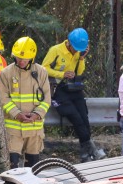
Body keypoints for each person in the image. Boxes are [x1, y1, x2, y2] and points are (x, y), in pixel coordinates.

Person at [42, 28, 106, 162]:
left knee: (84, 117)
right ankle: (92, 150)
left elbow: (80, 72)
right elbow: (44, 68)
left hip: (73, 89)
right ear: (69, 43)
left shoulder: (78, 53)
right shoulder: (56, 50)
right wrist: (62, 74)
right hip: (58, 90)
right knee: (76, 118)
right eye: (75, 48)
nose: (76, 51)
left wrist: (81, 58)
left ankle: (86, 154)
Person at [0, 37, 50, 168]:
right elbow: (3, 98)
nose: (21, 61)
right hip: (13, 129)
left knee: (33, 166)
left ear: (32, 58)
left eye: (25, 58)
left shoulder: (41, 72)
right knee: (12, 165)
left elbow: (47, 98)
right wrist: (17, 114)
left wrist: (37, 114)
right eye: (18, 58)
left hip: (34, 129)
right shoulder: (6, 73)